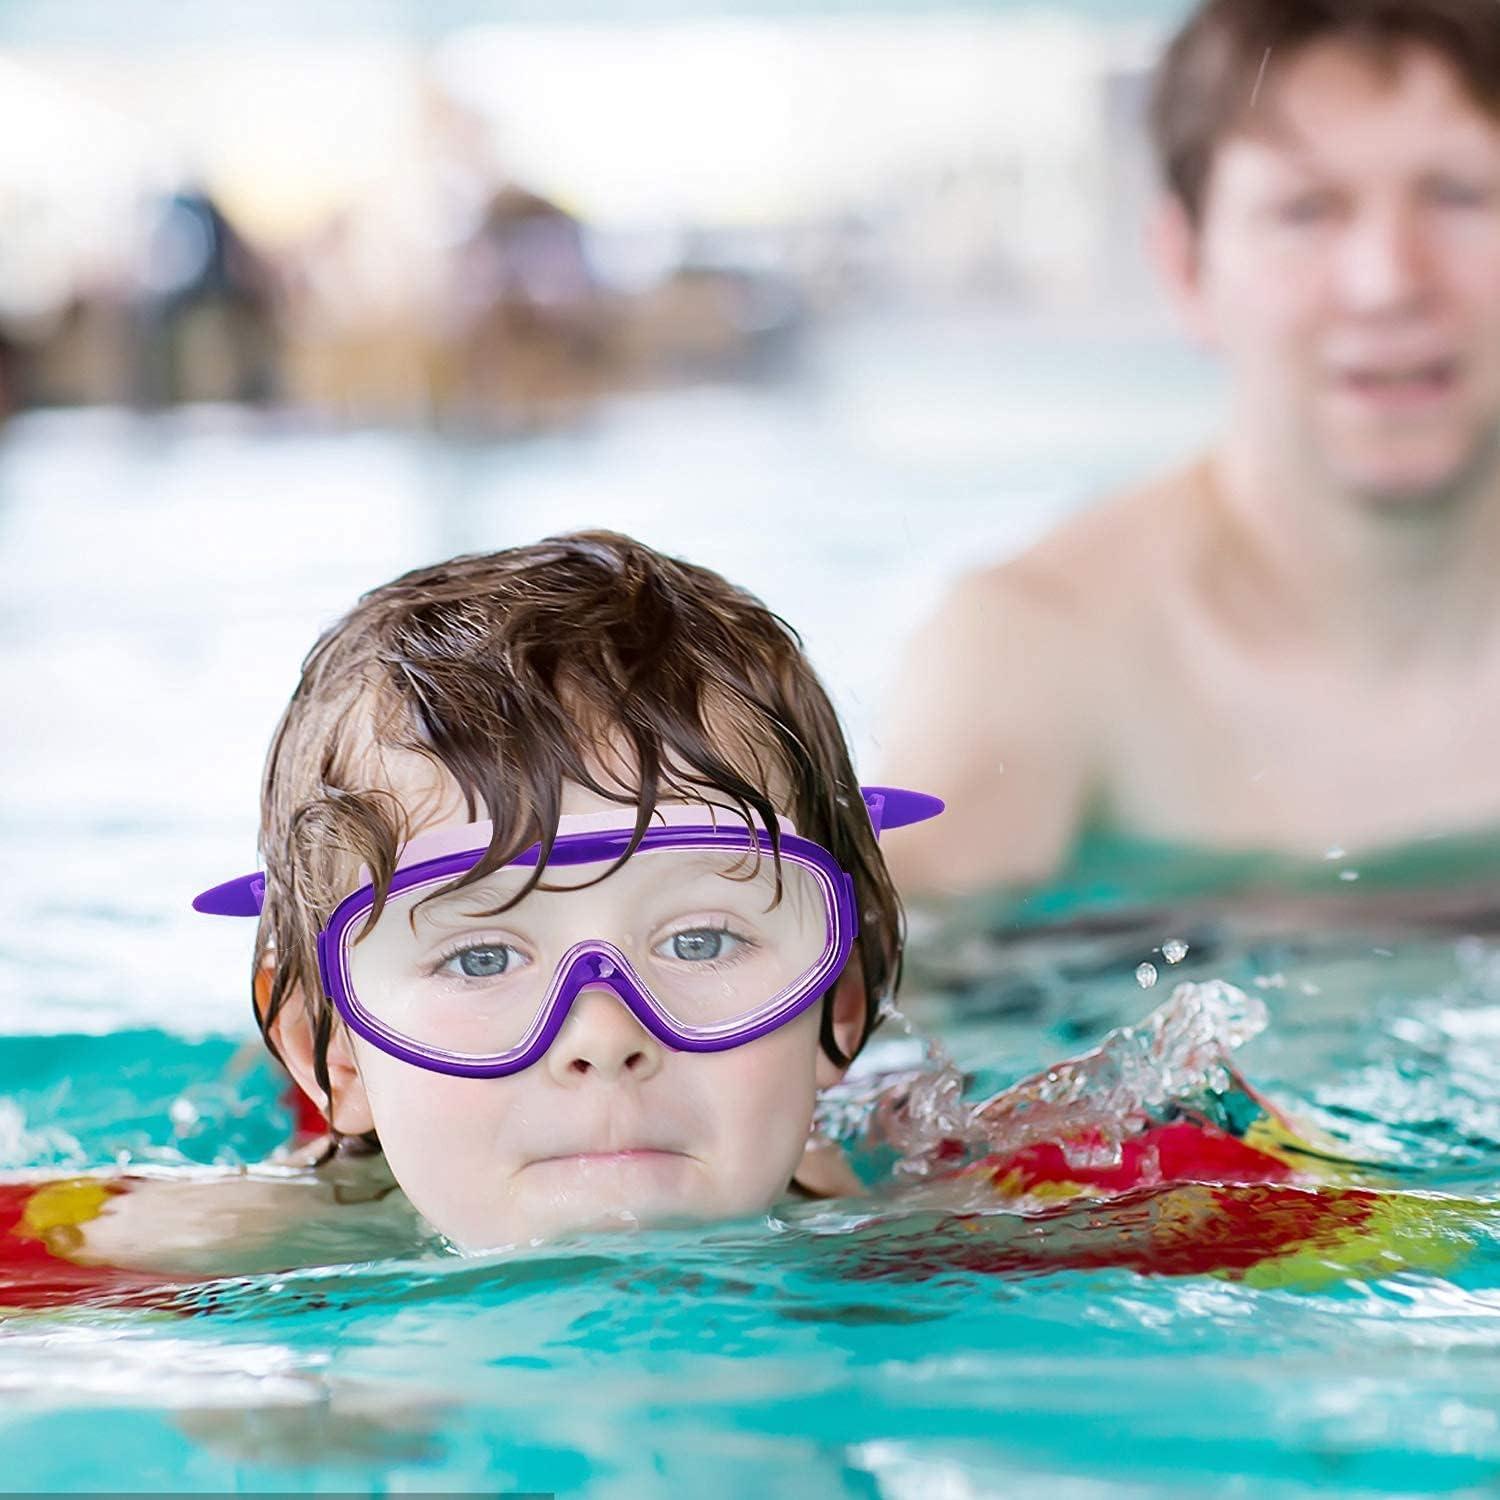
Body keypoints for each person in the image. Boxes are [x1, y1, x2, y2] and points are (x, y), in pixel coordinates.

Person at [879, 0, 1500, 898]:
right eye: (1306, 210)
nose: (1387, 282)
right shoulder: (1040, 651)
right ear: (1185, 267)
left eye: (1458, 197)